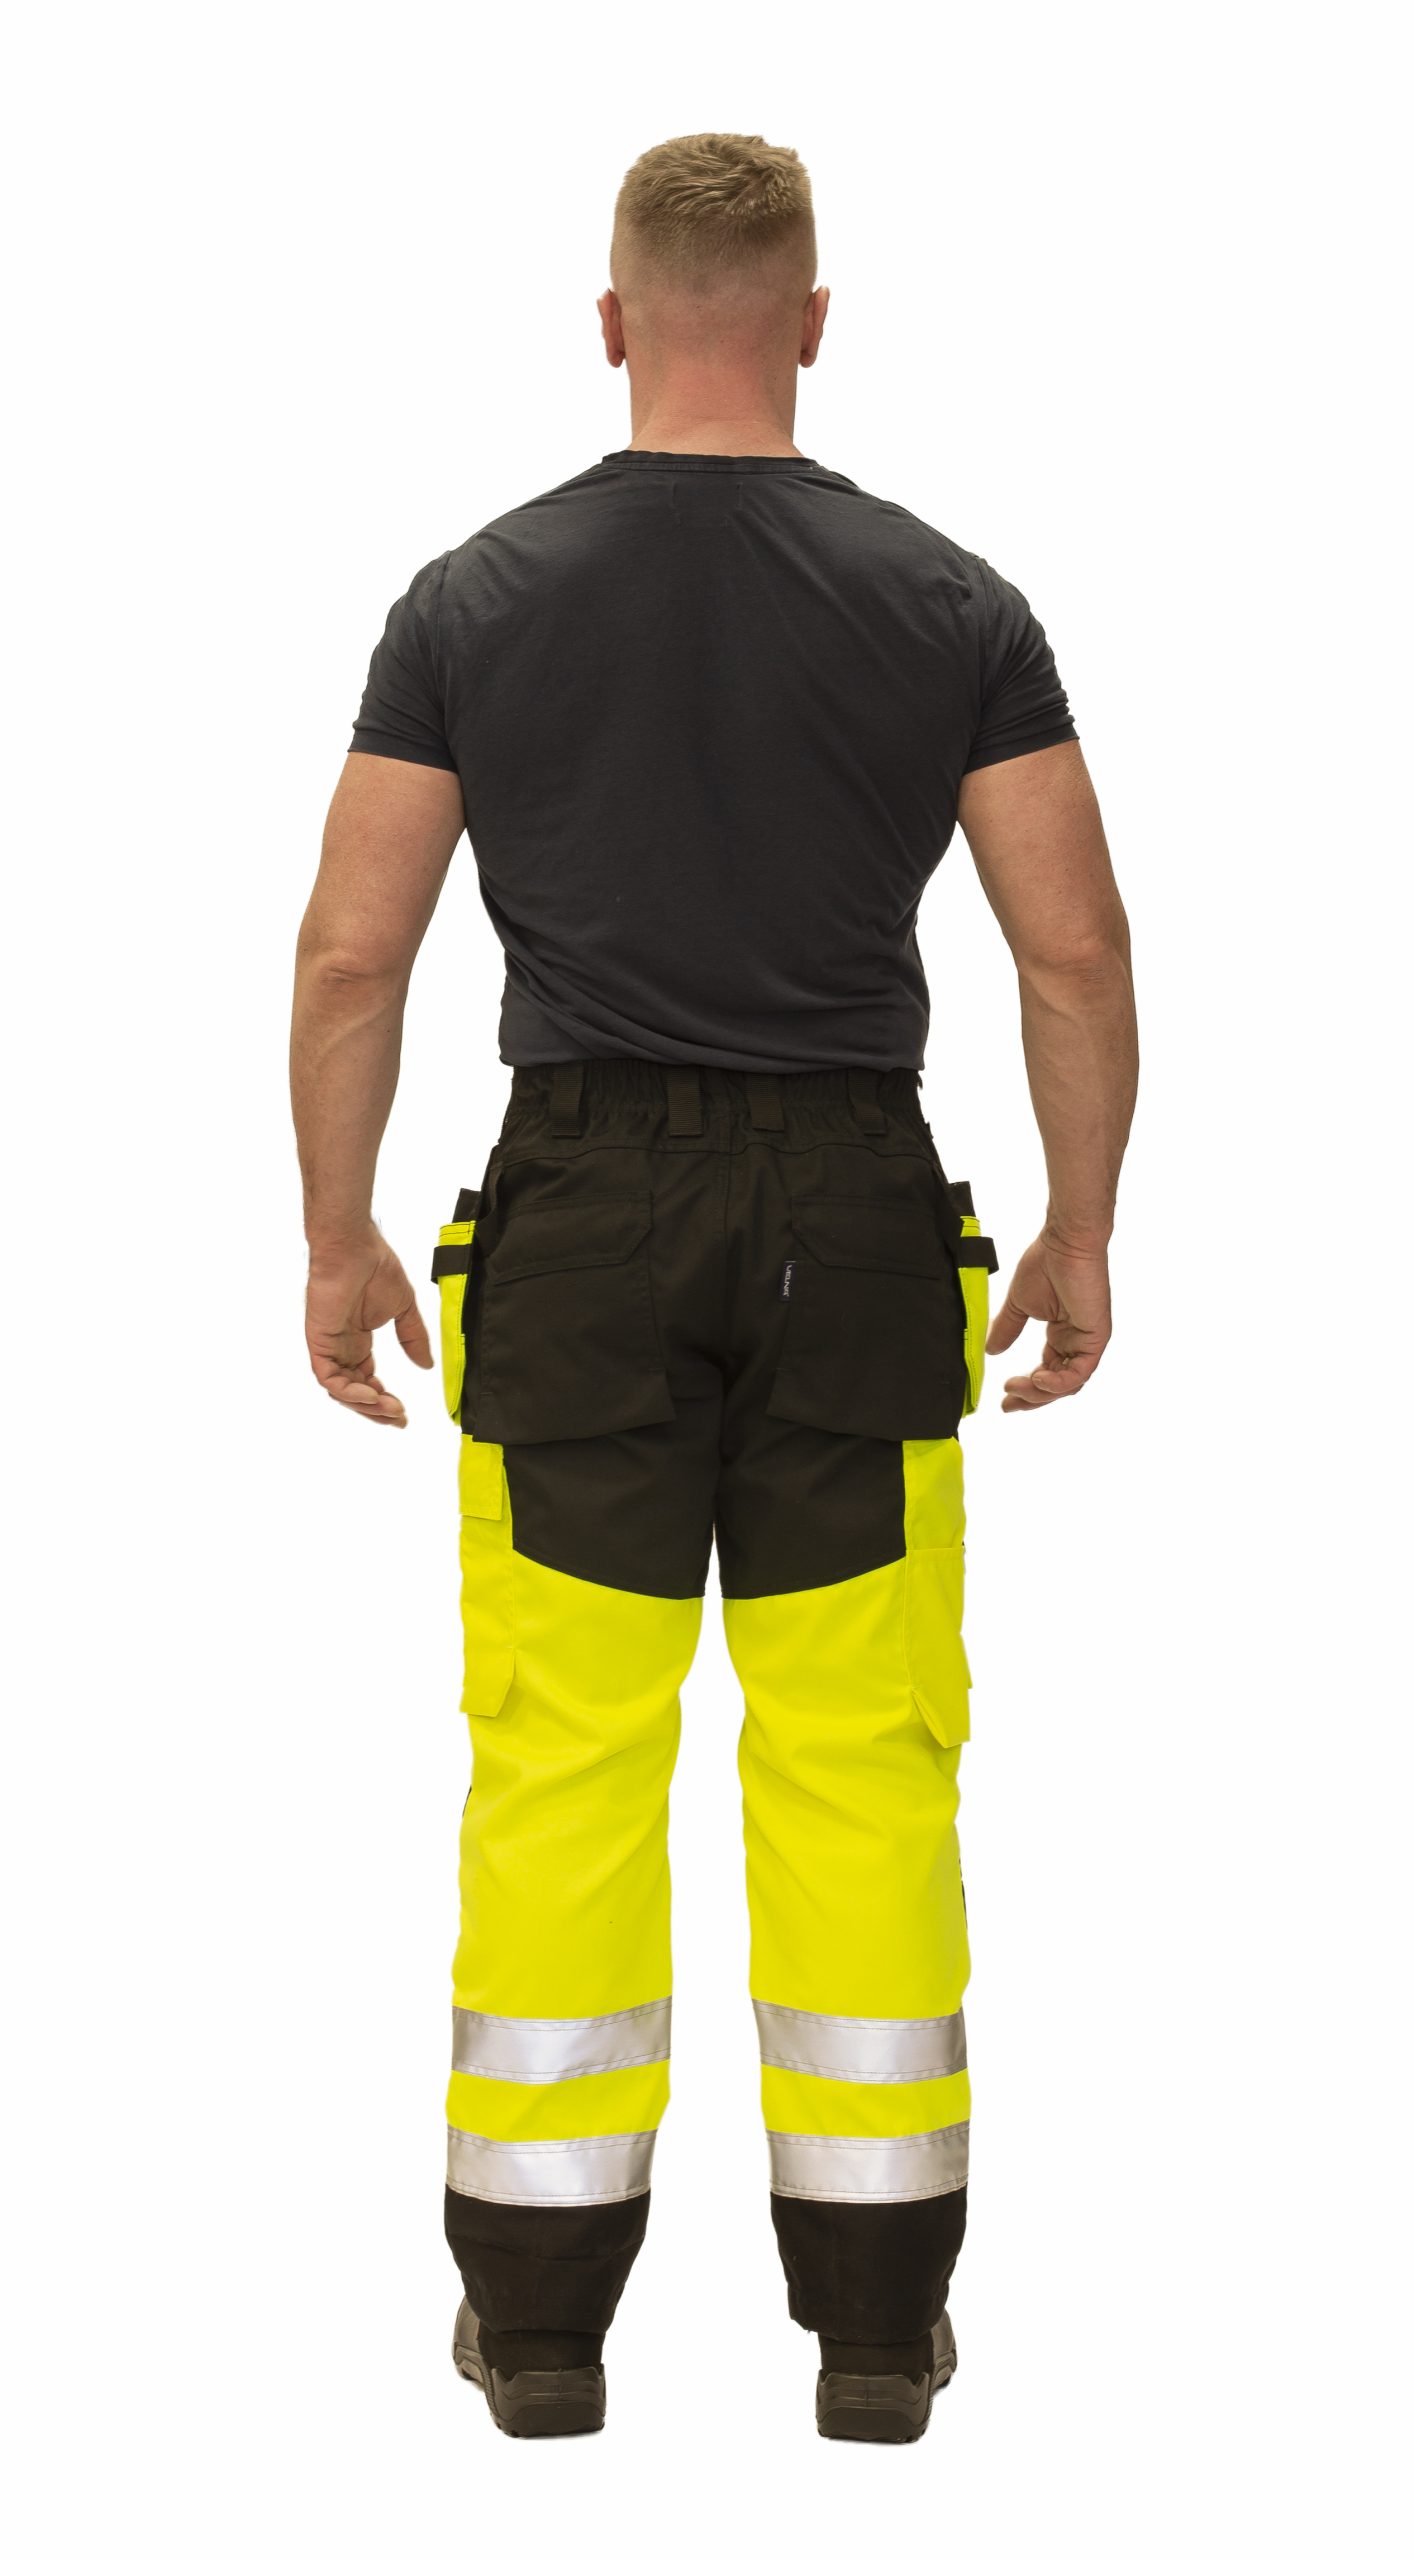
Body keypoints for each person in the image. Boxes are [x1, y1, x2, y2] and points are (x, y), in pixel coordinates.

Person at [289, 129, 1138, 2445]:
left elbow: (355, 948)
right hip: (852, 1214)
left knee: (564, 1752)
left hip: (572, 1216)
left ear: (610, 323)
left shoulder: (470, 598)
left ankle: (538, 2326)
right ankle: (872, 2326)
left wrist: (337, 1228)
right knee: (857, 1755)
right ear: (813, 324)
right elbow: (1069, 946)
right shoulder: (948, 599)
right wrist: (1076, 1222)